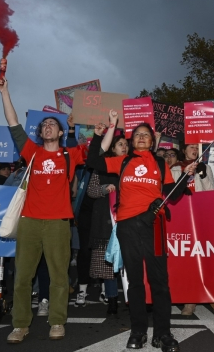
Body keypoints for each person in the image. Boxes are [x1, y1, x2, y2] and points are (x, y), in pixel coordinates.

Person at [87, 112, 196, 352]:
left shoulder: (160, 164)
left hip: (154, 225)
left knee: (159, 281)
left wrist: (187, 177)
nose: (142, 138)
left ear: (152, 141)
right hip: (127, 226)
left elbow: (173, 195)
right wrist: (101, 134)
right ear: (132, 140)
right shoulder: (122, 161)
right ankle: (138, 331)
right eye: (137, 135)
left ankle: (163, 333)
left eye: (146, 135)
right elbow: (93, 161)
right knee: (134, 282)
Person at [0, 77, 87, 344]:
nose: (47, 126)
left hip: (59, 223)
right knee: (23, 276)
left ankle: (57, 321)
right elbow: (13, 123)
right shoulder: (32, 152)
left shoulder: (70, 155)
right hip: (30, 222)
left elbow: (100, 149)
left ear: (61, 133)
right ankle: (20, 325)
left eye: (52, 124)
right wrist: (4, 92)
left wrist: (108, 127)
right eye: (44, 124)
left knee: (59, 276)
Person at [171, 143, 214, 317]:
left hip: (202, 219)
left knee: (208, 259)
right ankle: (190, 300)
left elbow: (211, 194)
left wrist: (203, 175)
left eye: (196, 148)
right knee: (189, 261)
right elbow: (171, 192)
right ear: (183, 150)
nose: (194, 150)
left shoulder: (205, 168)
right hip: (183, 221)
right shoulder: (175, 168)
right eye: (190, 147)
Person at [75, 131, 127, 315]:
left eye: (126, 144)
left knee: (131, 263)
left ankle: (135, 300)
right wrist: (106, 189)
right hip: (106, 222)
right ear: (112, 148)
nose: (124, 147)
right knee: (108, 264)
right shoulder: (102, 167)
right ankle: (112, 299)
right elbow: (91, 191)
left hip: (128, 219)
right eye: (120, 144)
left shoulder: (132, 166)